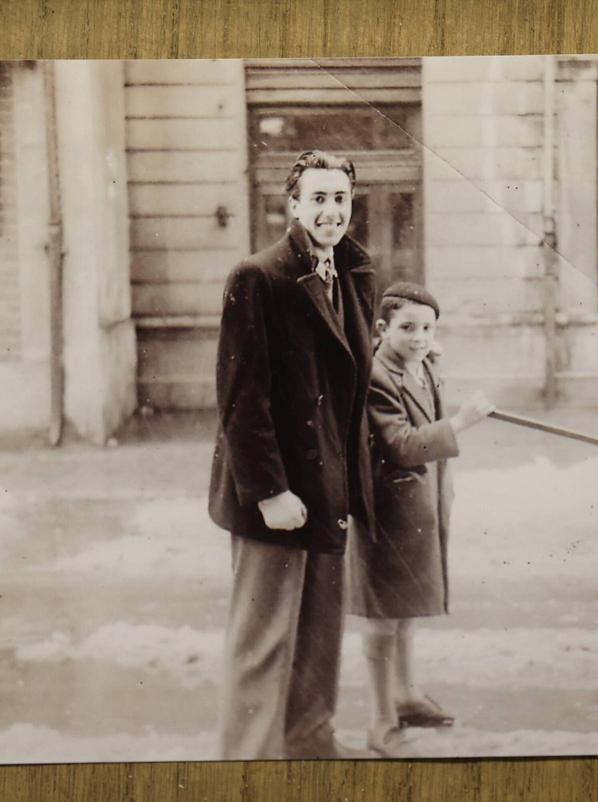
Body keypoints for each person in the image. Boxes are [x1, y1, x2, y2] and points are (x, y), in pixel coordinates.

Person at [208, 150, 377, 760]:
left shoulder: (352, 274)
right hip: (277, 495)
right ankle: (248, 762)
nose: (332, 211)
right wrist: (269, 492)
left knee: (318, 634)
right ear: (294, 206)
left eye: (341, 199)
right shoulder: (259, 276)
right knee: (263, 643)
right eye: (319, 199)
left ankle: (310, 744)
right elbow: (240, 399)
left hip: (329, 487)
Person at [346, 282, 495, 757]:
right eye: (407, 328)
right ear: (381, 329)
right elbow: (401, 444)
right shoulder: (376, 375)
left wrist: (426, 357)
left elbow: (422, 396)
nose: (420, 337)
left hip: (419, 505)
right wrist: (462, 422)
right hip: (386, 511)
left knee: (406, 608)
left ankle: (405, 695)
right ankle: (380, 722)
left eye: (428, 329)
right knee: (382, 617)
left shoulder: (422, 362)